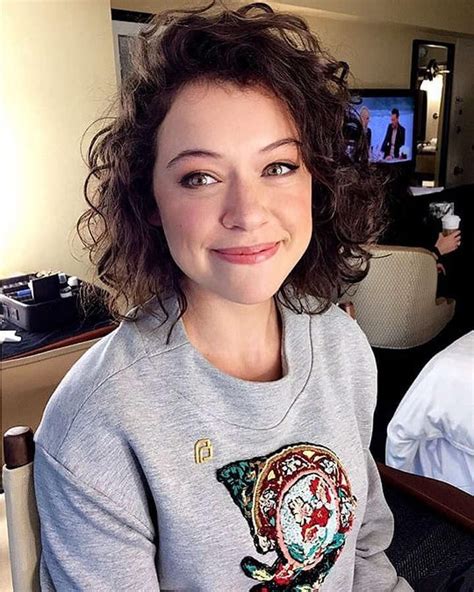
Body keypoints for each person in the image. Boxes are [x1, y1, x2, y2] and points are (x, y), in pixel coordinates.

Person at [33, 2, 414, 590]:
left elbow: (364, 553)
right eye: (200, 177)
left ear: (317, 179)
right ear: (150, 201)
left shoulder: (343, 345)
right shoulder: (97, 425)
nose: (248, 213)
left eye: (279, 166)